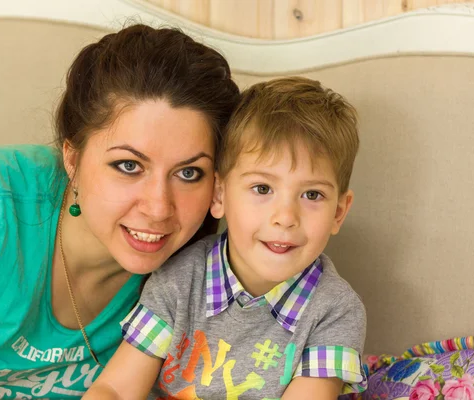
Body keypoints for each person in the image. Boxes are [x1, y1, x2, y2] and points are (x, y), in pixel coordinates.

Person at [0, 24, 240, 399]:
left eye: (188, 173)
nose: (157, 208)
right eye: (128, 166)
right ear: (72, 158)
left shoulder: (201, 279)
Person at [83, 77, 368, 400]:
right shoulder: (179, 281)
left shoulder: (335, 311)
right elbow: (115, 390)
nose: (286, 217)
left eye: (312, 194)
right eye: (262, 189)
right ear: (219, 195)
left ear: (339, 213)